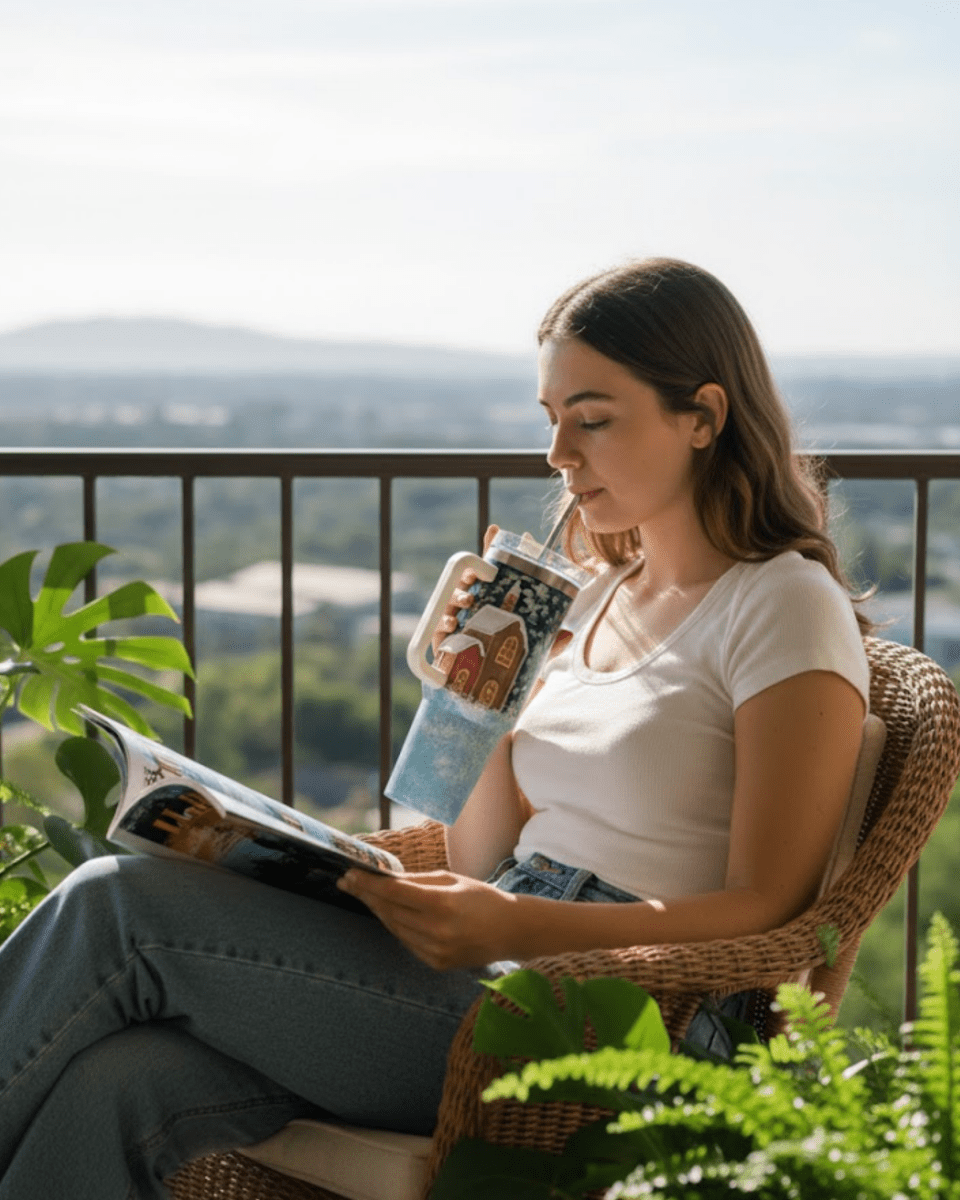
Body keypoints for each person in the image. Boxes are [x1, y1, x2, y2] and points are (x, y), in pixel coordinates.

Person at [0, 258, 869, 1199]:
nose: (558, 455)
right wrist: (475, 699)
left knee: (116, 907)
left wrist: (519, 924)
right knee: (122, 1083)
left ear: (702, 415)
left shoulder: (782, 603)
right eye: (551, 420)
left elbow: (771, 907)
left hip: (621, 1020)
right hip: (504, 957)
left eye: (594, 417)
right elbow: (478, 846)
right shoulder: (600, 597)